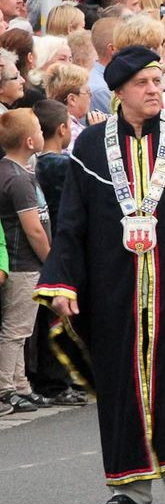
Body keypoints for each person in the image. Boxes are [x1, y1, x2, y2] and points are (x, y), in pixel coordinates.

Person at [33, 46, 165, 504]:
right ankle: (131, 488)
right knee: (120, 382)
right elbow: (72, 222)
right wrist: (63, 281)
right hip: (114, 286)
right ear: (120, 91)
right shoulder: (88, 145)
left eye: (157, 82)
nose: (154, 91)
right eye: (144, 84)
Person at [28, 100, 87, 408]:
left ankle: (54, 378)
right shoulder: (62, 166)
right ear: (63, 129)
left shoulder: (37, 164)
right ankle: (57, 380)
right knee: (61, 317)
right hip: (58, 246)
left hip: (49, 244)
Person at [0, 108, 50, 413]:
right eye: (41, 131)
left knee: (22, 330)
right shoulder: (17, 179)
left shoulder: (14, 172)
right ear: (30, 142)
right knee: (16, 330)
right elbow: (33, 228)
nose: (44, 135)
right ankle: (6, 388)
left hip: (23, 264)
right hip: (23, 263)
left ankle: (21, 384)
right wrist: (51, 260)